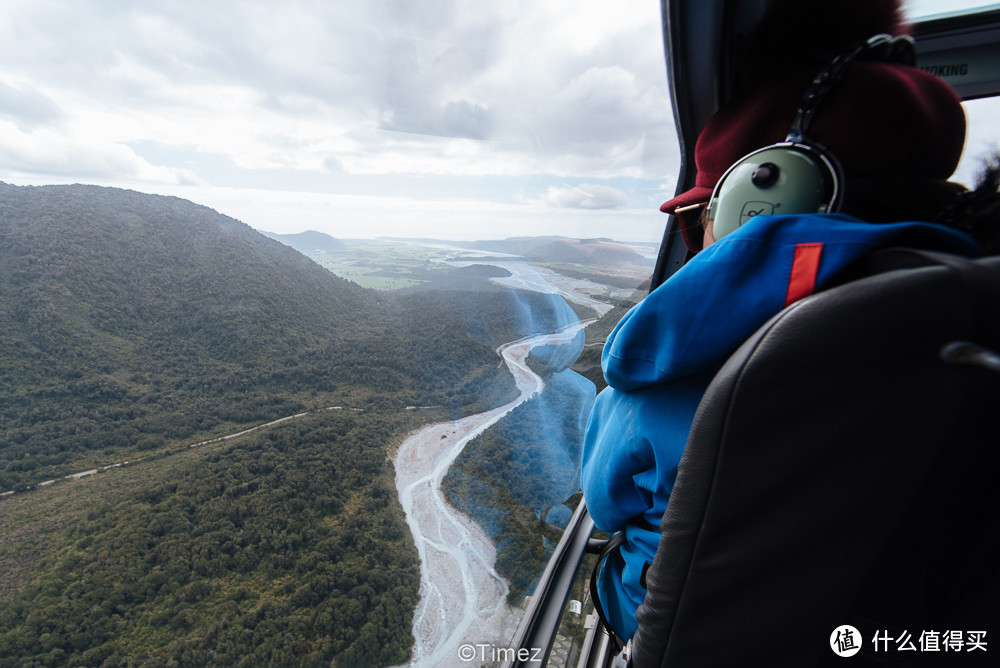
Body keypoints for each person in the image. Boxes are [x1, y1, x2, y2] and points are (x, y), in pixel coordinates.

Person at [580, 0, 1000, 642]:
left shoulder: (668, 372)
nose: (697, 236)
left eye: (702, 213)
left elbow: (607, 502)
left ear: (761, 193)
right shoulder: (969, 312)